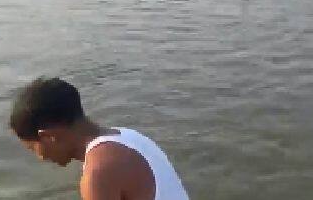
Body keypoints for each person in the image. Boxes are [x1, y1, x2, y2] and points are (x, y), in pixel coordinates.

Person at [10, 77, 189, 200]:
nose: (41, 158)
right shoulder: (129, 137)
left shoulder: (98, 173)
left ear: (48, 137)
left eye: (34, 149)